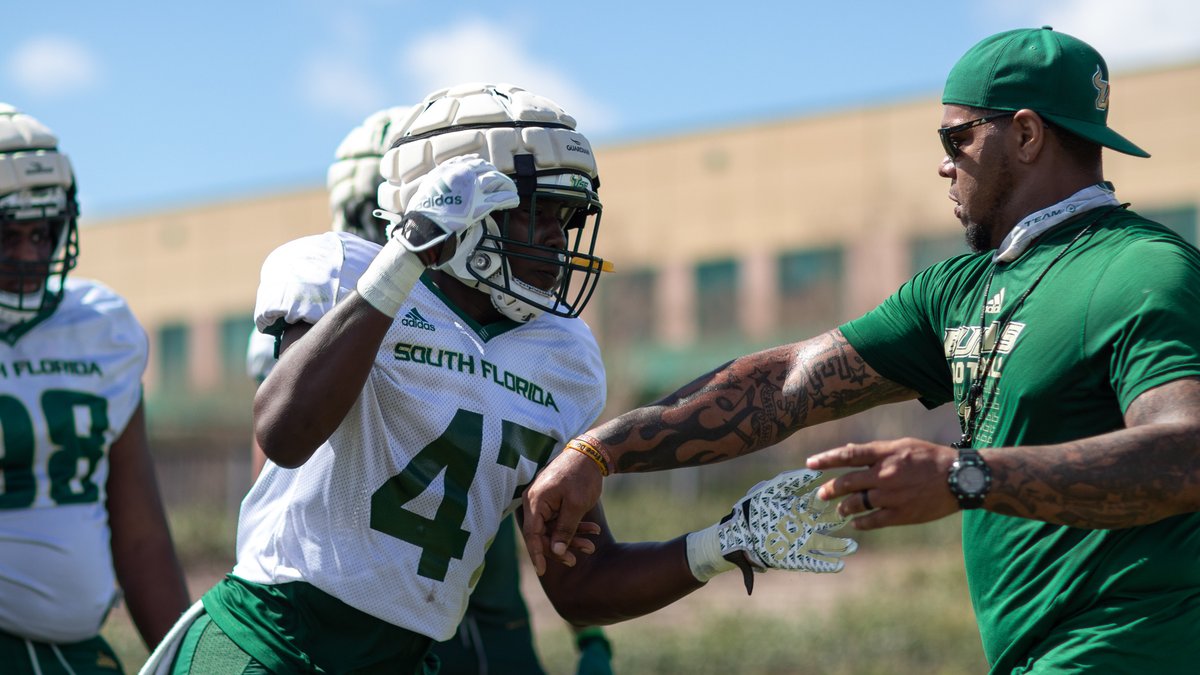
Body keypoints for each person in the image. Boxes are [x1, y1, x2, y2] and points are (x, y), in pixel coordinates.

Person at [522, 27, 1200, 674]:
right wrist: (601, 450)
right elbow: (784, 384)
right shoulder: (959, 290)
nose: (944, 164)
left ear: (1025, 134)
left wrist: (963, 476)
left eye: (957, 137)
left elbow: (1188, 453)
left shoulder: (1142, 270)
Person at [148, 83, 857, 674]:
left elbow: (579, 580)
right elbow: (284, 433)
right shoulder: (341, 272)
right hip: (269, 643)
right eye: (537, 211)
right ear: (458, 204)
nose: (557, 236)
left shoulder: (562, 355)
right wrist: (406, 258)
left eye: (567, 216)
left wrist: (724, 542)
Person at [243, 105, 616, 675]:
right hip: (326, 607)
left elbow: (562, 531)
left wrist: (591, 636)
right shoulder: (330, 286)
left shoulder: (545, 346)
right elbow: (276, 466)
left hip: (466, 598)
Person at [0, 104, 190, 673]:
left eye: (42, 233)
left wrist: (184, 662)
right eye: (8, 235)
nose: (30, 256)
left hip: (78, 654)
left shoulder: (101, 328)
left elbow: (141, 536)